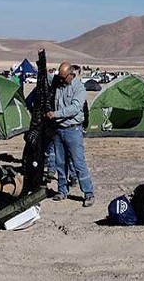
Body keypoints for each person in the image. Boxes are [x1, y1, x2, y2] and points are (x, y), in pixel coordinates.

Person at [46, 62, 95, 207]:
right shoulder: (59, 84)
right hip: (59, 130)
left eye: (63, 78)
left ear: (71, 75)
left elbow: (74, 108)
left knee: (78, 163)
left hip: (73, 130)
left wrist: (55, 114)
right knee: (60, 164)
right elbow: (45, 77)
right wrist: (41, 59)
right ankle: (62, 191)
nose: (60, 81)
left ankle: (88, 193)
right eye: (59, 78)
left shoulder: (79, 88)